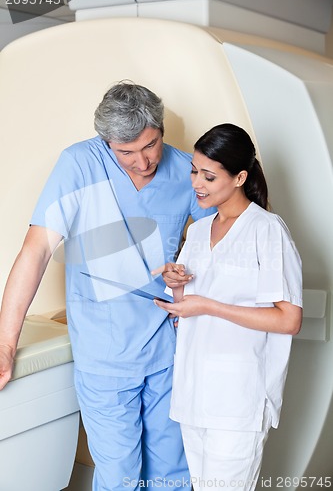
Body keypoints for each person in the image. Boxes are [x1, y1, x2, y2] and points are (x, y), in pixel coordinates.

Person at [0, 81, 216, 490]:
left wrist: (193, 301)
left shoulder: (185, 169)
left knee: (172, 472)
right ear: (106, 142)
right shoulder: (78, 164)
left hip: (167, 347)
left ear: (162, 130)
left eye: (151, 145)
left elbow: (221, 241)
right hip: (106, 352)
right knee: (120, 476)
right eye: (126, 152)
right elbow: (36, 252)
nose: (142, 162)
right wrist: (6, 343)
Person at [153, 123, 303, 491]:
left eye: (208, 175)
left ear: (239, 177)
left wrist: (209, 306)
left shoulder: (266, 230)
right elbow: (186, 309)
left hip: (237, 400)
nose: (196, 184)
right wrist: (177, 287)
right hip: (193, 393)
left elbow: (289, 319)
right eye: (194, 171)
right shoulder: (200, 231)